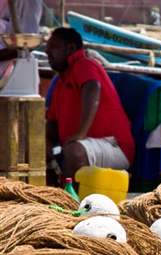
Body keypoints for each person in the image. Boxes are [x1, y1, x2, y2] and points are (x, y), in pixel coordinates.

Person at [45, 28, 134, 185]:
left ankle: (75, 204)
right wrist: (43, 142)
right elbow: (52, 123)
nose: (47, 52)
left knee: (75, 151)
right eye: (47, 47)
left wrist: (81, 133)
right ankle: (51, 199)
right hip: (79, 147)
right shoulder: (60, 83)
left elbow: (93, 88)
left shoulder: (85, 64)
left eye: (53, 46)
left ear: (71, 48)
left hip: (113, 146)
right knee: (37, 149)